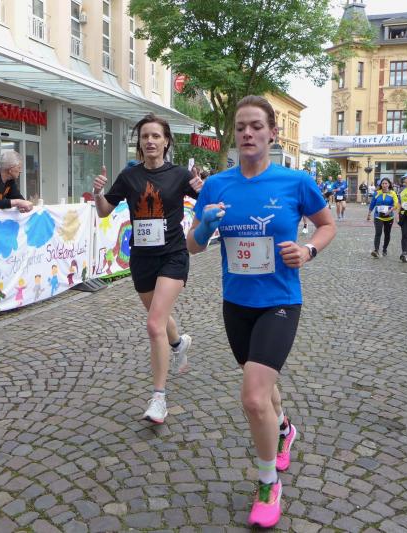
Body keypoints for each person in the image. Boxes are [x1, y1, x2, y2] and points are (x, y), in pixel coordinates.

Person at [187, 95, 336, 528]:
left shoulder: (296, 182)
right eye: (240, 127)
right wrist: (205, 226)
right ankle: (285, 429)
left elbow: (327, 226)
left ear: (273, 133)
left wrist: (307, 251)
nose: (247, 133)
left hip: (280, 302)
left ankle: (269, 482)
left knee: (253, 396)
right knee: (263, 386)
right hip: (236, 303)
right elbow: (193, 245)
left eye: (256, 126)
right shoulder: (217, 185)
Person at [92, 113, 203, 424]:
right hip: (141, 258)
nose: (150, 141)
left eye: (156, 136)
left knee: (154, 324)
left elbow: (209, 201)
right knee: (159, 316)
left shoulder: (179, 175)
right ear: (139, 143)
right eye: (145, 137)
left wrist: (203, 187)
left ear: (166, 141)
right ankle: (179, 343)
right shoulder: (129, 176)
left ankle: (158, 398)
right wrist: (98, 193)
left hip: (173, 255)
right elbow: (104, 211)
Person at [367, 177, 398, 258]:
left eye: (386, 183)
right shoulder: (377, 193)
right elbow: (372, 204)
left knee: (387, 234)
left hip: (389, 217)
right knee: (378, 233)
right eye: (383, 183)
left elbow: (396, 204)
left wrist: (390, 210)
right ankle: (376, 250)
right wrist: (369, 214)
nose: (384, 185)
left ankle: (384, 249)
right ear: (381, 184)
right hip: (378, 216)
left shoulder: (392, 193)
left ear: (389, 184)